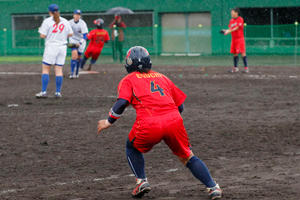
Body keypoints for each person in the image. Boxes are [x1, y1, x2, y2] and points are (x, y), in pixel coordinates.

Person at [97, 46, 223, 199]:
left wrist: (109, 121)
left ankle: (141, 181)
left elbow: (121, 102)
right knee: (188, 156)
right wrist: (169, 122)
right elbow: (180, 106)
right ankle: (213, 187)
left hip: (149, 123)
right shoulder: (162, 77)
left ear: (129, 63)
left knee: (132, 147)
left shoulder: (128, 79)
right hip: (174, 120)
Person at [36, 4, 73, 98]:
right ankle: (58, 92)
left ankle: (44, 92)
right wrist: (61, 35)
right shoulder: (65, 21)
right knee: (59, 69)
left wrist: (41, 31)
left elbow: (42, 36)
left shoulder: (47, 21)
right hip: (62, 47)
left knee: (46, 69)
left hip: (51, 46)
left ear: (50, 12)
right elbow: (70, 34)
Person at [222, 8, 248, 73]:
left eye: (232, 12)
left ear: (236, 13)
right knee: (235, 53)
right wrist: (226, 30)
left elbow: (237, 28)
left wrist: (229, 31)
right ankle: (235, 68)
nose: (231, 14)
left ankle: (246, 68)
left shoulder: (240, 19)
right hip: (234, 39)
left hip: (240, 39)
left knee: (242, 53)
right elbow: (231, 28)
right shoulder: (231, 21)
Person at [68, 9, 88, 79]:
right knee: (74, 55)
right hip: (73, 40)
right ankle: (72, 73)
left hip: (81, 41)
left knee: (78, 57)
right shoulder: (69, 22)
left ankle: (76, 72)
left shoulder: (82, 23)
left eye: (79, 15)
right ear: (73, 15)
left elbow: (85, 35)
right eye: (76, 14)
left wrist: (80, 42)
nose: (77, 16)